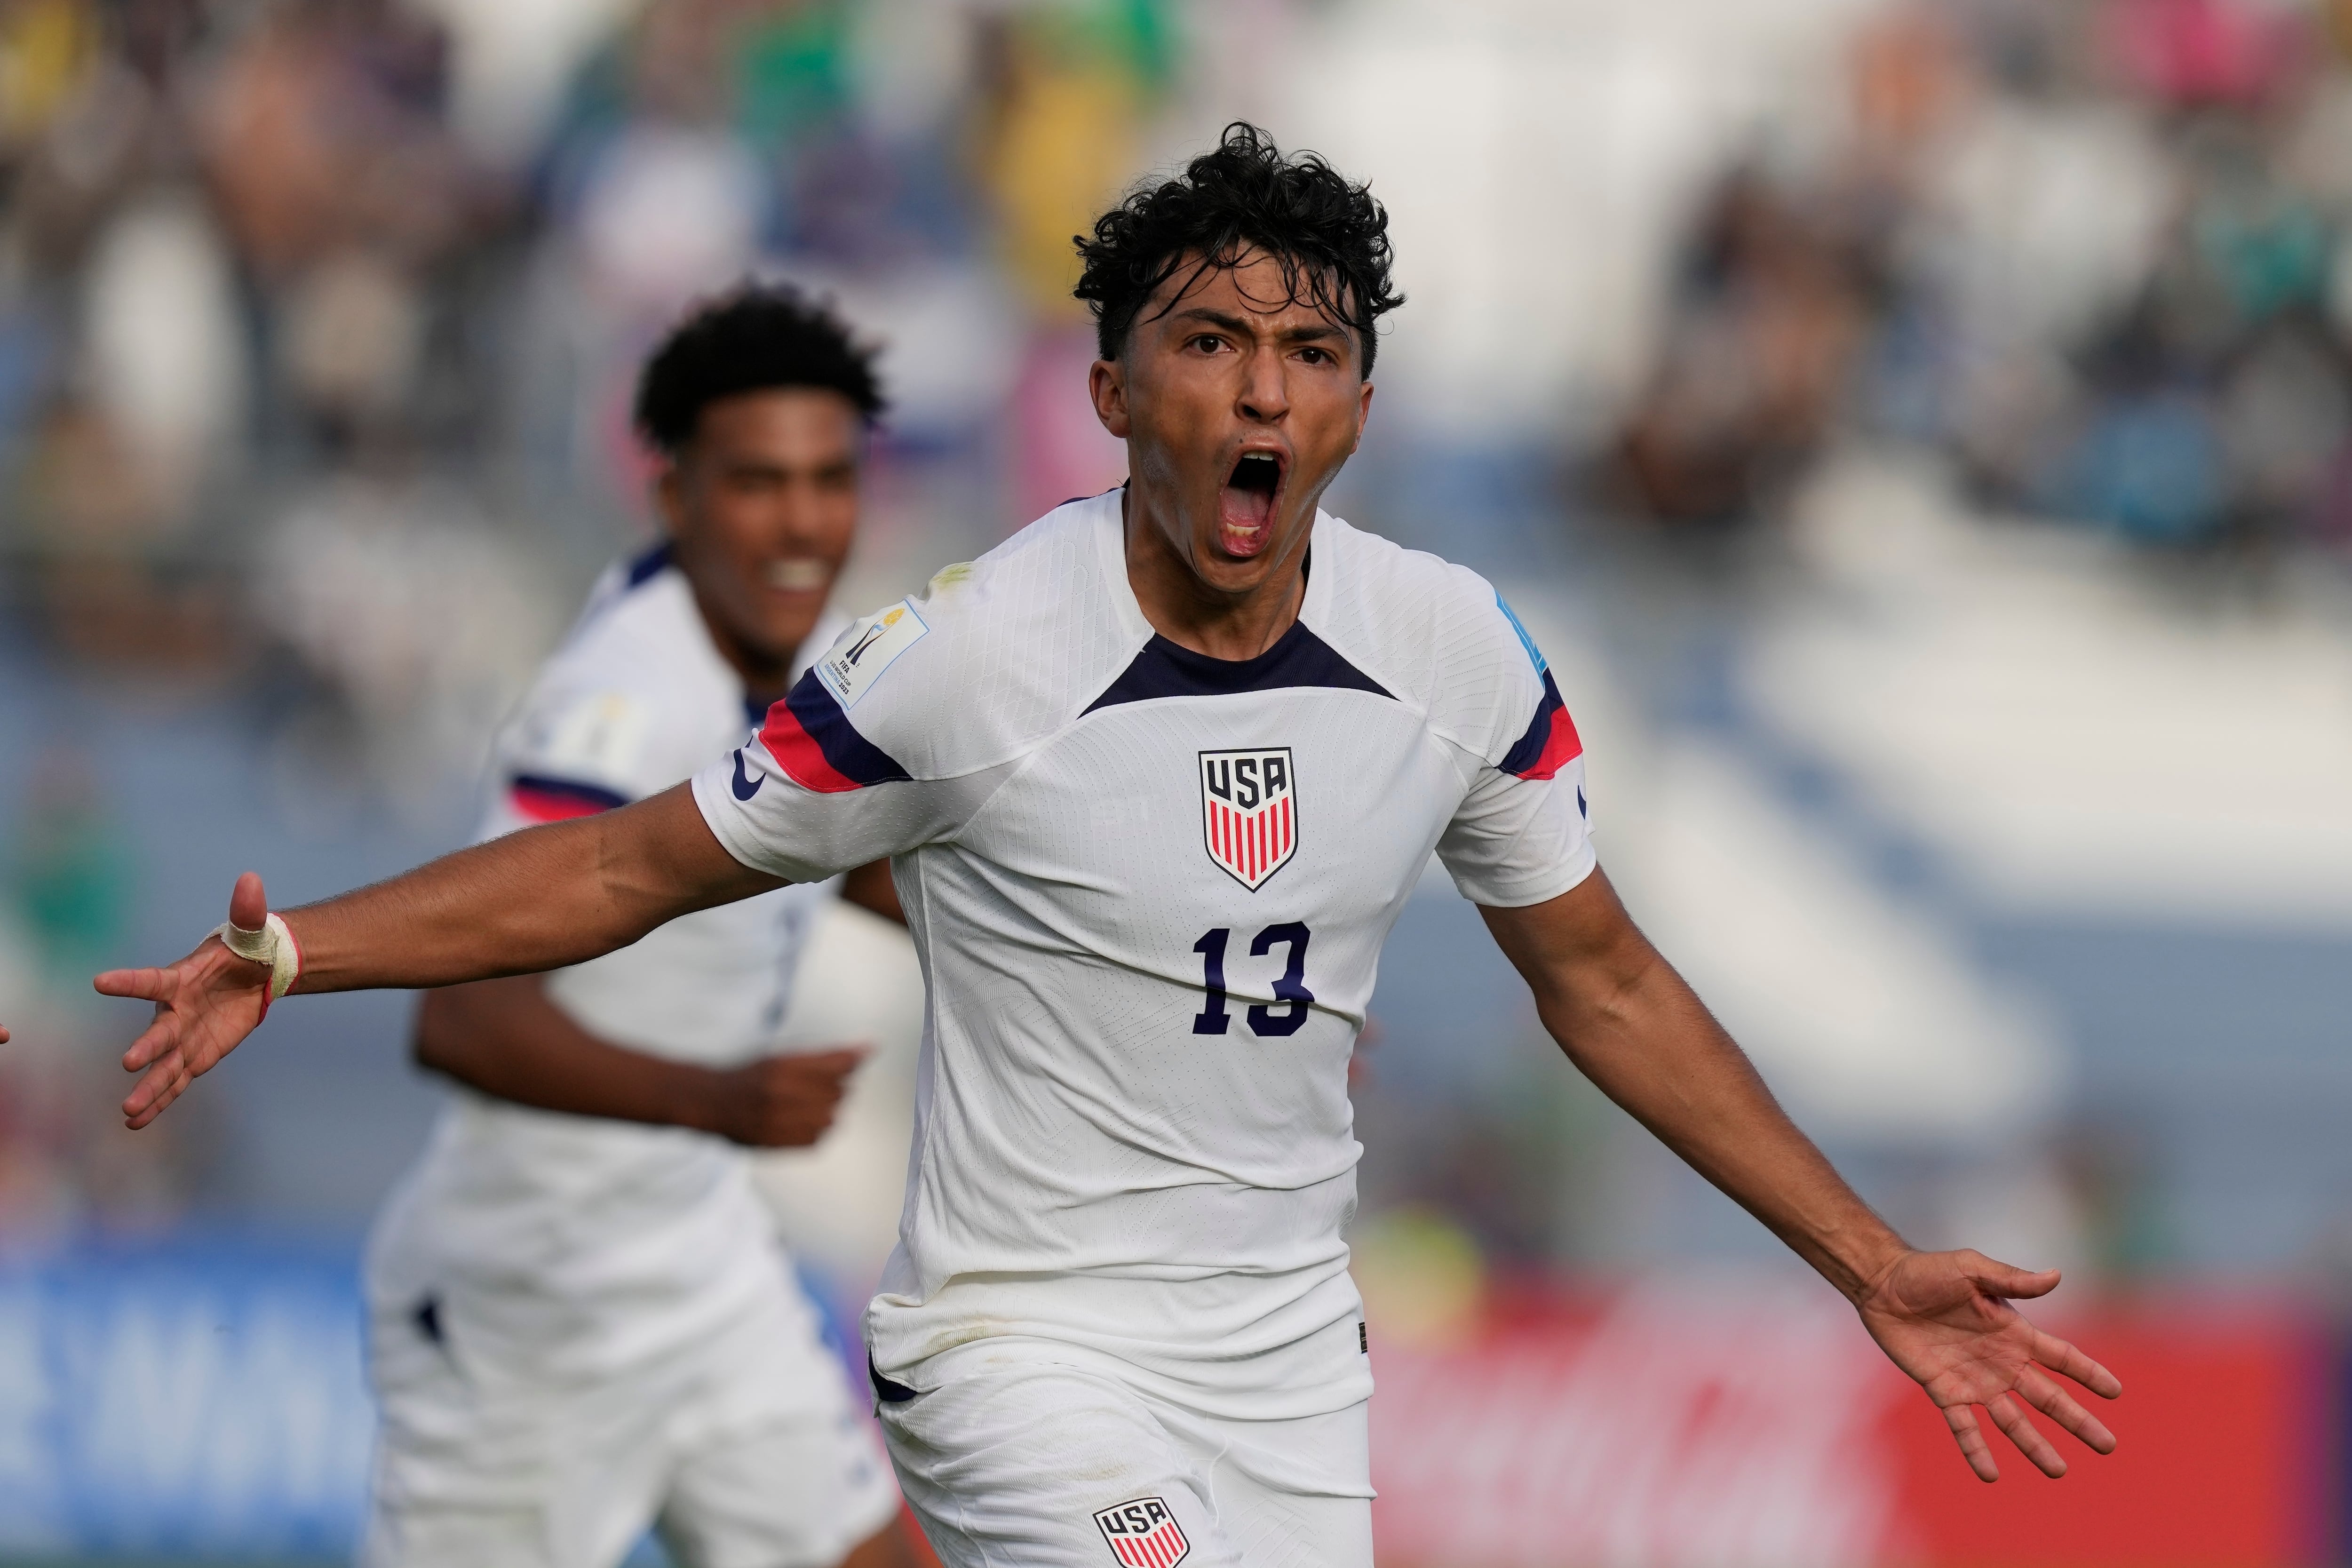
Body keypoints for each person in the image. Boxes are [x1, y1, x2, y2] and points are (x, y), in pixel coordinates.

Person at [100, 126, 2120, 1568]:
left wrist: (1866, 1265)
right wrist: (297, 954)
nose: (1259, 390)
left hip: (1283, 1373)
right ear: (1111, 393)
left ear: (1354, 402)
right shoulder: (971, 654)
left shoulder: (1449, 653)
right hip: (1015, 1345)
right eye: (1208, 343)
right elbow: (633, 865)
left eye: (1308, 353)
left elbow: (1598, 980)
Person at [356, 286, 918, 1568]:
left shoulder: (797, 662)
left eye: (830, 481)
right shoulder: (621, 695)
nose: (803, 524)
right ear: (675, 497)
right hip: (531, 1308)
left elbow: (859, 867)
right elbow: (465, 1017)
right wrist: (714, 1100)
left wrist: (1143, 982)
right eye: (758, 484)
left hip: (699, 1263)